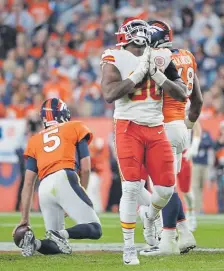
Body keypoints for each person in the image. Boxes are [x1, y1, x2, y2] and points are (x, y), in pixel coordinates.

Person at [101, 18, 187, 265]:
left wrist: (158, 77)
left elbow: (182, 94)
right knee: (130, 187)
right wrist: (137, 76)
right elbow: (109, 95)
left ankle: (149, 215)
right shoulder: (113, 57)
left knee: (166, 189)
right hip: (128, 126)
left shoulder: (161, 57)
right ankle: (128, 248)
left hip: (156, 127)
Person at [139, 20, 203, 256]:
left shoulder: (159, 57)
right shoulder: (187, 55)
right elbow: (197, 101)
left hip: (162, 126)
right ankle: (185, 232)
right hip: (179, 125)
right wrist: (188, 126)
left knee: (164, 188)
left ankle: (165, 237)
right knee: (171, 186)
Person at [13, 98, 102, 257]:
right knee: (95, 228)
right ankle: (61, 234)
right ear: (64, 113)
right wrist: (82, 192)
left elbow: (28, 183)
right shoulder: (75, 126)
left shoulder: (34, 140)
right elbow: (86, 168)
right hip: (64, 176)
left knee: (57, 246)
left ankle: (34, 242)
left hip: (44, 187)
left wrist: (24, 219)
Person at [178, 121, 202, 231]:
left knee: (186, 190)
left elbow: (196, 126)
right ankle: (163, 220)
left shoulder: (186, 106)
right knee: (164, 188)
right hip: (167, 151)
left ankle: (191, 212)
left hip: (183, 154)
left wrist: (194, 146)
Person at [214, 121, 224, 213]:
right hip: (220, 168)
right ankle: (221, 208)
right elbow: (215, 152)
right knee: (220, 189)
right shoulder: (217, 141)